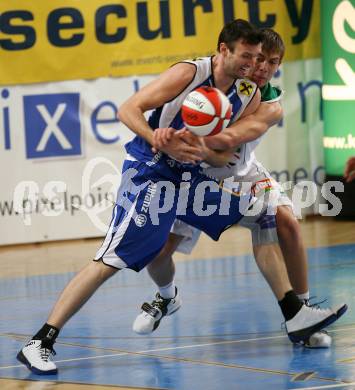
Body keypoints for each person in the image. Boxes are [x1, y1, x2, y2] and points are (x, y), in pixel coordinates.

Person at [17, 21, 345, 376]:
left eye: (260, 59)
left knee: (267, 213)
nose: (253, 65)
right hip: (152, 172)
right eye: (246, 56)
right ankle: (41, 341)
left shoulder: (248, 92)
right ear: (224, 50)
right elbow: (129, 109)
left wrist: (204, 148)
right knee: (112, 259)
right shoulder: (188, 73)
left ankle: (295, 313)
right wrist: (156, 137)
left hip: (195, 178)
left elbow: (223, 157)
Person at [132, 29, 346, 349]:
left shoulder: (270, 103)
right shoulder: (214, 83)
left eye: (272, 62)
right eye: (259, 59)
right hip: (195, 174)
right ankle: (166, 296)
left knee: (285, 221)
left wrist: (199, 135)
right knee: (159, 253)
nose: (263, 67)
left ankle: (301, 314)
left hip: (243, 173)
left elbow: (231, 139)